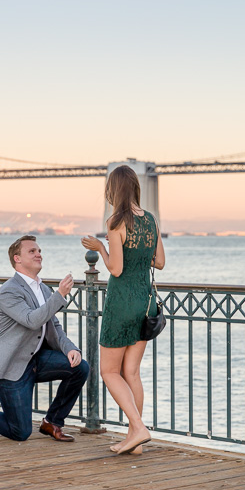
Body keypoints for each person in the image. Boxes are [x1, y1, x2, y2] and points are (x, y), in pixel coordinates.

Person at [0, 235, 90, 442]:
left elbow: (54, 326)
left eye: (39, 250)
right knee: (20, 432)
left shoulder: (44, 290)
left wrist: (71, 349)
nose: (39, 254)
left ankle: (52, 422)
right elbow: (31, 320)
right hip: (11, 367)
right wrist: (60, 295)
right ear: (17, 259)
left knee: (80, 367)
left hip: (36, 359)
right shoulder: (9, 291)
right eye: (32, 251)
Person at [81, 165, 165, 455]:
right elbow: (160, 262)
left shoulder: (115, 221)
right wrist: (136, 254)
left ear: (113, 190)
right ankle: (135, 441)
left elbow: (115, 269)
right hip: (145, 301)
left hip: (121, 303)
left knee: (109, 371)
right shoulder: (151, 220)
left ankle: (138, 428)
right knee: (132, 372)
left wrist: (101, 248)